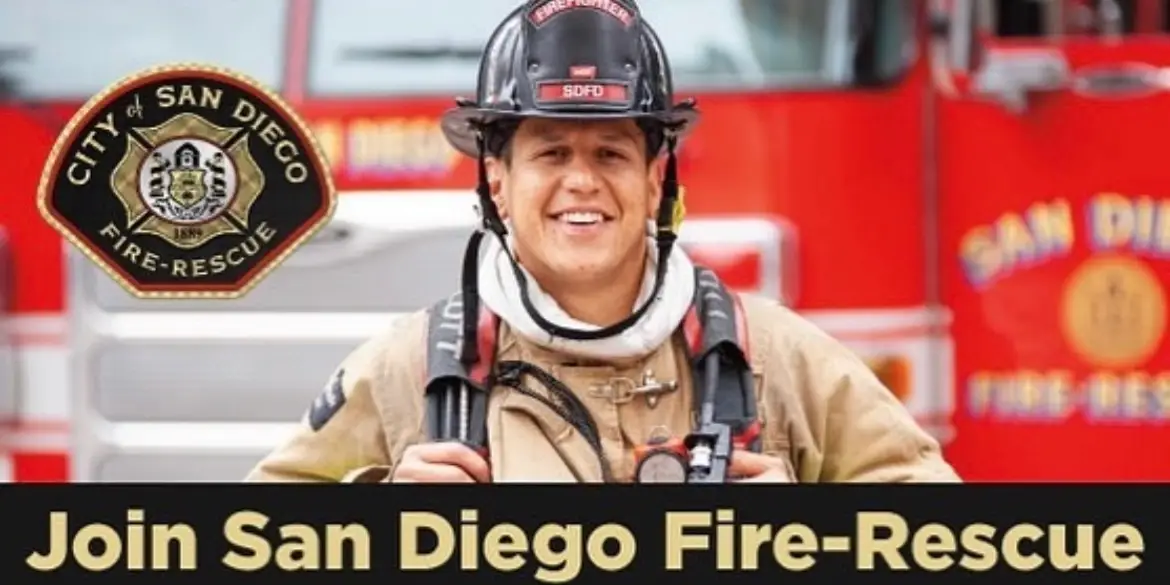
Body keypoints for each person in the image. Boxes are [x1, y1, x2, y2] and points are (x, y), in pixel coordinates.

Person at [245, 0, 960, 484]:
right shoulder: (412, 369)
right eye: (551, 154)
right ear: (497, 180)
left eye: (611, 155)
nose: (581, 182)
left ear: (655, 181)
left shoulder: (781, 360)